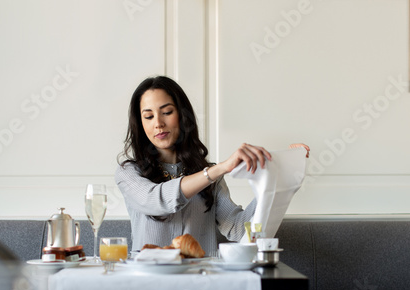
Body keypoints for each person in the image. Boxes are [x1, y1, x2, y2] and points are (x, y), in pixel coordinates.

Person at [115, 76, 309, 256]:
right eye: (148, 117)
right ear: (140, 124)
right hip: (149, 284)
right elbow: (157, 201)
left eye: (166, 112)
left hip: (200, 281)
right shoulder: (129, 173)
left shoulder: (210, 176)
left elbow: (238, 228)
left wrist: (279, 172)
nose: (158, 123)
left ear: (182, 116)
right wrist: (218, 170)